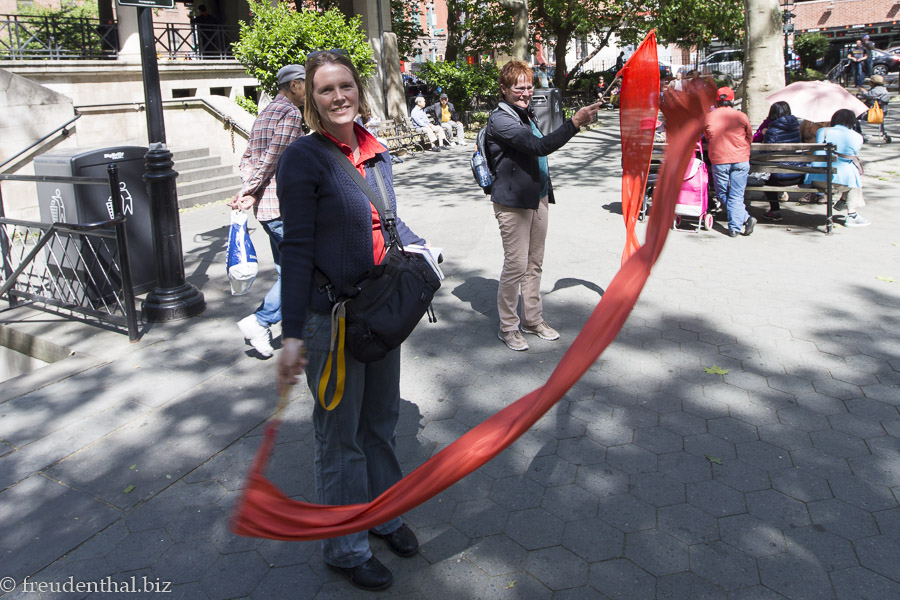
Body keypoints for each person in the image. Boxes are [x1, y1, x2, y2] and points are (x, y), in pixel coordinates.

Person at [276, 50, 426, 592]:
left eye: (345, 85)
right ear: (310, 99)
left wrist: (417, 245)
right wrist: (292, 334)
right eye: (325, 90)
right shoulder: (303, 160)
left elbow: (385, 215)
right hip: (331, 320)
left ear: (358, 89)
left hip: (381, 311)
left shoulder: (375, 150)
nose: (338, 97)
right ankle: (345, 545)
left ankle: (383, 515)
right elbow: (294, 250)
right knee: (340, 438)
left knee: (380, 424)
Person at [486, 61, 600, 351]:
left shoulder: (526, 114)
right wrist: (575, 122)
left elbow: (539, 147)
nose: (525, 92)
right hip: (513, 205)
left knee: (534, 265)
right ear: (504, 89)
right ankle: (508, 326)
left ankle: (533, 320)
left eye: (528, 86)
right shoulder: (501, 120)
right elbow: (539, 147)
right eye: (518, 87)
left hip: (538, 198)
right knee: (516, 266)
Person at [232, 64, 306, 357]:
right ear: (293, 85)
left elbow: (248, 157)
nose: (308, 90)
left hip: (267, 208)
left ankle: (294, 326)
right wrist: (249, 189)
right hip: (283, 207)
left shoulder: (265, 112)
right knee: (300, 270)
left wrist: (251, 190)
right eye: (305, 83)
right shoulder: (290, 113)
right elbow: (273, 157)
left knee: (285, 269)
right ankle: (260, 322)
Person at [704, 86, 756, 237]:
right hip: (740, 158)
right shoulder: (741, 116)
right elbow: (749, 137)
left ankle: (735, 227)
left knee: (722, 194)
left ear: (716, 101)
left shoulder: (709, 117)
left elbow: (707, 137)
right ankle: (745, 219)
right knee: (736, 196)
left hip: (720, 160)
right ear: (732, 100)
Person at [805, 109, 870, 227]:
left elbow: (818, 153)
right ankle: (851, 213)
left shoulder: (822, 131)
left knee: (848, 172)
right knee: (852, 174)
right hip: (843, 183)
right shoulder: (857, 137)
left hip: (818, 179)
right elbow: (852, 156)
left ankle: (845, 203)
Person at [758, 101, 802, 221]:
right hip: (798, 173)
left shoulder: (772, 131)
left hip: (779, 177)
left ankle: (775, 210)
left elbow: (765, 155)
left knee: (767, 176)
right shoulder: (796, 127)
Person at [858, 73, 891, 138]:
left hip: (871, 114)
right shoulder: (884, 90)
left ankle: (858, 132)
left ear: (872, 83)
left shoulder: (876, 90)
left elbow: (867, 95)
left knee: (855, 116)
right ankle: (883, 132)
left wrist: (862, 91)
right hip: (882, 113)